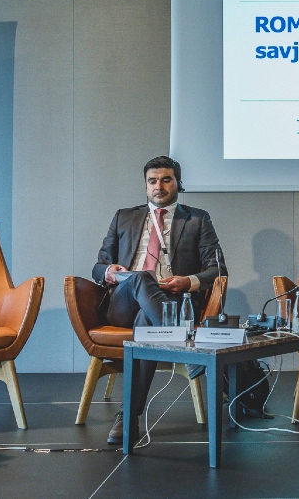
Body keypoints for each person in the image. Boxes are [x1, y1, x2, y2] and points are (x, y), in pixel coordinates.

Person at [92, 156, 223, 445]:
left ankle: (128, 416)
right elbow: (99, 265)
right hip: (124, 300)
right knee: (140, 277)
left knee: (144, 324)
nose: (158, 186)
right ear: (146, 185)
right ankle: (188, 347)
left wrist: (187, 281)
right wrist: (110, 272)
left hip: (169, 299)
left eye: (166, 179)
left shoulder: (197, 219)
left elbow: (217, 270)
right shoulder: (124, 216)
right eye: (152, 181)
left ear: (178, 183)